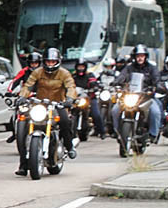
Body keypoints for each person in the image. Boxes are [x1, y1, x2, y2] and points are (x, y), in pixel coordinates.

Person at [17, 47, 77, 176]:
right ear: (44, 61)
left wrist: (70, 99)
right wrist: (22, 96)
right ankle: (23, 164)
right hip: (39, 105)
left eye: (53, 62)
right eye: (48, 62)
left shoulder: (64, 73)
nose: (50, 64)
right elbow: (28, 85)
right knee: (22, 126)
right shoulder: (37, 72)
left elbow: (71, 86)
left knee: (65, 121)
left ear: (58, 61)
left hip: (58, 105)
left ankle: (69, 146)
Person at [112, 43, 162, 143]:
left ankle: (153, 134)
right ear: (134, 57)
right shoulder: (129, 67)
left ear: (145, 57)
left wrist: (156, 86)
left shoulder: (152, 68)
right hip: (130, 95)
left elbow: (157, 79)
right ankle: (117, 131)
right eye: (138, 56)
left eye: (142, 56)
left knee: (155, 112)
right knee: (115, 110)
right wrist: (116, 82)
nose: (140, 58)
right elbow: (122, 75)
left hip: (146, 96)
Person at [71, 59, 105, 138]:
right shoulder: (73, 76)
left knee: (96, 114)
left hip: (89, 98)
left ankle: (102, 131)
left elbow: (93, 82)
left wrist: (95, 87)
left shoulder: (89, 75)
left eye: (82, 67)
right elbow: (69, 84)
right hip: (77, 98)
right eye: (79, 67)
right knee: (70, 113)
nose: (80, 69)